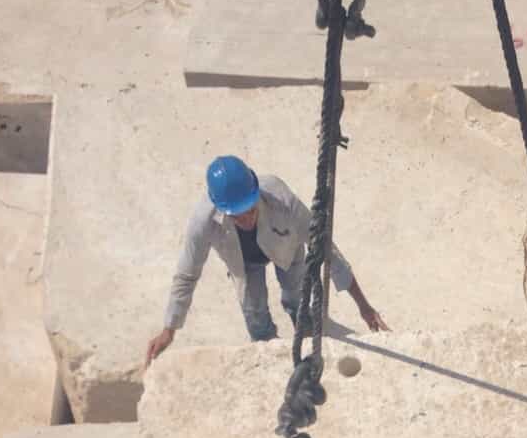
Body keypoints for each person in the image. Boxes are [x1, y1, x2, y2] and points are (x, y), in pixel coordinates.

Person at [146, 155, 387, 366]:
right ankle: (272, 360)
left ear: (256, 191)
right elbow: (187, 275)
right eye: (237, 217)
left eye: (251, 209)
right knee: (256, 317)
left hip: (287, 250)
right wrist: (169, 330)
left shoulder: (281, 198)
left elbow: (326, 249)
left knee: (298, 300)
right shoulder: (203, 221)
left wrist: (364, 306)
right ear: (221, 209)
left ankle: (303, 331)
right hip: (243, 264)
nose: (247, 219)